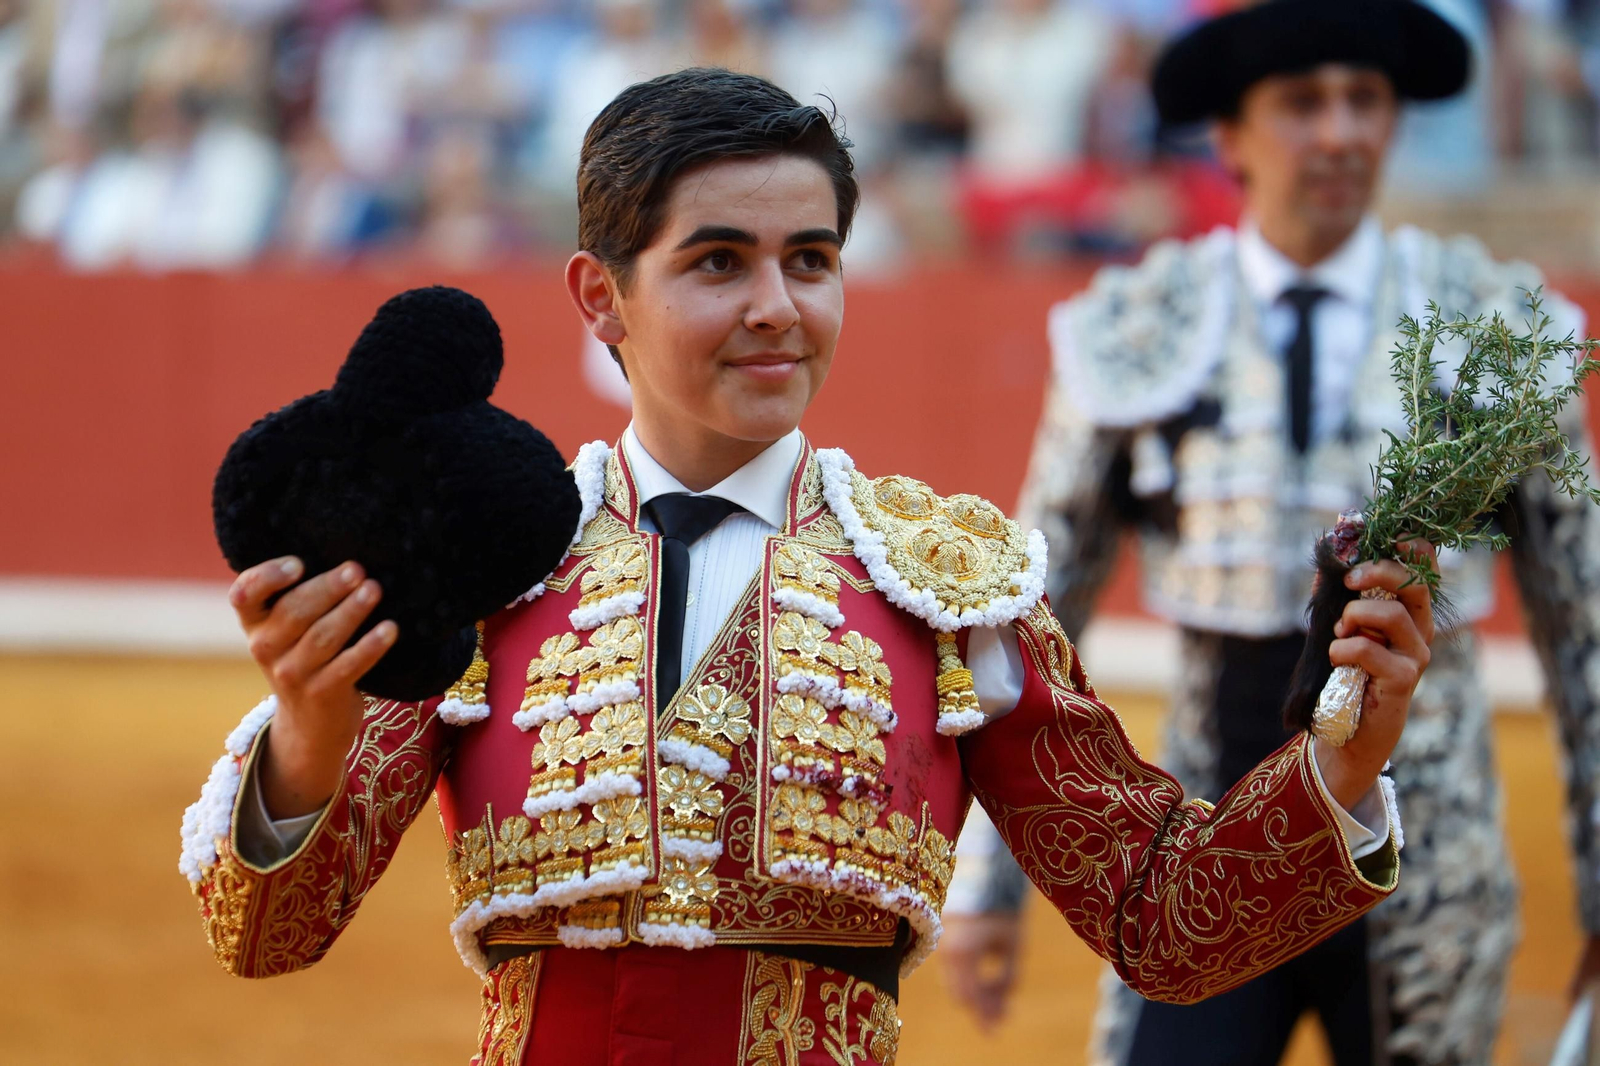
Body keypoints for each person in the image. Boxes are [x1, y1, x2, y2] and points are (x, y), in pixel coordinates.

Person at [179, 67, 1435, 1064]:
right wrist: (306, 725)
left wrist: (1346, 760)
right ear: (601, 296)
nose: (778, 304)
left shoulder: (942, 584)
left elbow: (1165, 919)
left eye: (812, 258)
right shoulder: (482, 559)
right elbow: (270, 934)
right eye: (718, 260)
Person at [940, 3, 1600, 1064]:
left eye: (1364, 101)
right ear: (1231, 135)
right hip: (1202, 844)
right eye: (1301, 104)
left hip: (1431, 856)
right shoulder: (1135, 323)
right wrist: (985, 886)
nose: (1339, 133)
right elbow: (1027, 620)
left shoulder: (1495, 325)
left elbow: (1586, 632)